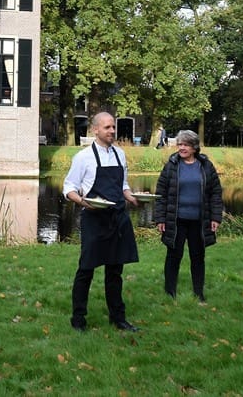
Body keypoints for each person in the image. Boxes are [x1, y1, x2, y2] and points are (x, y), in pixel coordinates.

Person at [63, 112, 141, 332]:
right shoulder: (83, 157)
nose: (112, 131)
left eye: (113, 127)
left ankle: (118, 318)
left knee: (115, 271)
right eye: (107, 127)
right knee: (86, 269)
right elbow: (69, 188)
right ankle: (78, 319)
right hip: (94, 219)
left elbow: (123, 185)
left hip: (118, 218)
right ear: (95, 130)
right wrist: (83, 202)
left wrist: (132, 197)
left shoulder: (120, 154)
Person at [152, 130, 223, 303]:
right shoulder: (171, 165)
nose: (181, 148)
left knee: (198, 257)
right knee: (173, 256)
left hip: (199, 221)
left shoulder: (206, 166)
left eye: (186, 145)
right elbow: (161, 194)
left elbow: (215, 193)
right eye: (180, 144)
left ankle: (199, 293)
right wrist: (160, 218)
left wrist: (215, 217)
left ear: (194, 147)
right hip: (176, 221)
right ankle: (170, 293)